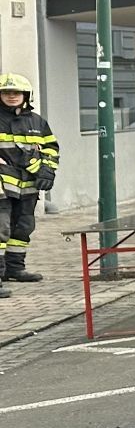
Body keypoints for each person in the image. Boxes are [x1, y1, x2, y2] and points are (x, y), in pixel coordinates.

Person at [0, 73, 57, 285]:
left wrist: (47, 171)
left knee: (23, 226)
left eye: (16, 92)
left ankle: (14, 268)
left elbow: (51, 149)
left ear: (26, 95)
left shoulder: (37, 122)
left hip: (28, 185)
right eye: (6, 92)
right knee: (1, 228)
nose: (12, 96)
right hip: (3, 185)